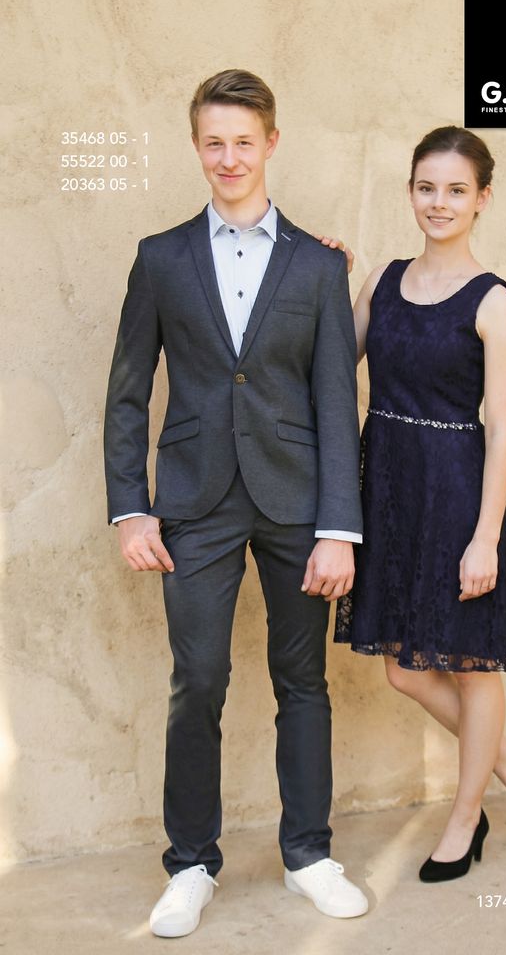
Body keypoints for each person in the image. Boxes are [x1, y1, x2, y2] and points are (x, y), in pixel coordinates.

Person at [104, 69, 369, 937]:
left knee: (303, 680)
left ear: (271, 144)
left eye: (244, 141)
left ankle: (309, 856)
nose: (229, 157)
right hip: (194, 501)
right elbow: (128, 393)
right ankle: (190, 865)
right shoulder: (160, 257)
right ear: (197, 146)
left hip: (298, 501)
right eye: (214, 142)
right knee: (199, 679)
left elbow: (336, 397)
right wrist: (131, 508)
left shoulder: (319, 265)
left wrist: (339, 527)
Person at [335, 126, 506, 882]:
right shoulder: (383, 280)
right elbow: (332, 365)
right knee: (406, 669)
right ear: (410, 192)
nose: (439, 202)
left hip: (458, 497)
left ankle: (467, 819)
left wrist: (485, 537)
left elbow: (503, 430)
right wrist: (326, 277)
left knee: (470, 665)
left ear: (482, 199)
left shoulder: (493, 300)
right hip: (388, 490)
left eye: (457, 190)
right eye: (426, 187)